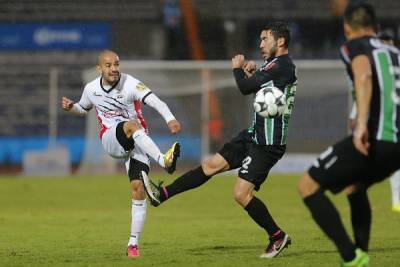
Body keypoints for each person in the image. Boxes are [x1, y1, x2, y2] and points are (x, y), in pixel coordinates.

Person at [141, 22, 297, 258]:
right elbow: (266, 94)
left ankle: (277, 236)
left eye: (265, 39)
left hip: (267, 144)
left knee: (241, 194)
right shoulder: (275, 66)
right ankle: (162, 195)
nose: (261, 44)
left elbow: (245, 89)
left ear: (281, 41)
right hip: (253, 136)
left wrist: (237, 69)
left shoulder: (283, 66)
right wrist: (253, 74)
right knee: (210, 166)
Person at [298, 3, 400, 267]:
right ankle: (361, 254)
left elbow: (363, 74)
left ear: (346, 28)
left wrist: (362, 125)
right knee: (356, 185)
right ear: (375, 26)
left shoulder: (354, 46)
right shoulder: (394, 51)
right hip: (396, 144)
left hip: (377, 137)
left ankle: (350, 256)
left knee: (308, 186)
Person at [61, 50, 181, 258]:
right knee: (132, 125)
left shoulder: (131, 83)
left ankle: (132, 245)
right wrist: (72, 107)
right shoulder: (91, 88)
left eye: (116, 64)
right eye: (108, 65)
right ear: (99, 69)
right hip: (110, 138)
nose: (114, 69)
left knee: (138, 190)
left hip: (137, 141)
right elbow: (83, 108)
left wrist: (170, 119)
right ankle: (164, 160)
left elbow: (156, 102)